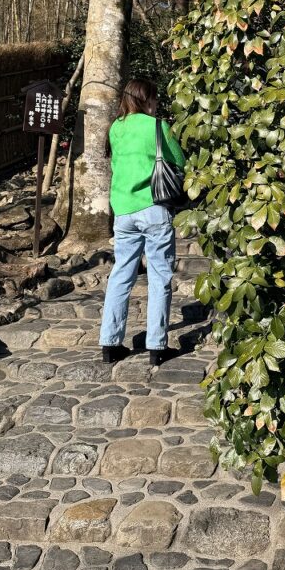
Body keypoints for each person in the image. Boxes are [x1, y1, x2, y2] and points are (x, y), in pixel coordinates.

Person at [99, 78, 185, 366]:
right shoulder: (158, 126)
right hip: (153, 207)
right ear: (146, 99)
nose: (156, 103)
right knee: (159, 276)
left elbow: (116, 165)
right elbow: (180, 161)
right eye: (155, 98)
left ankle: (110, 343)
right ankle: (157, 346)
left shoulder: (116, 128)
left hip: (123, 210)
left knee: (121, 274)